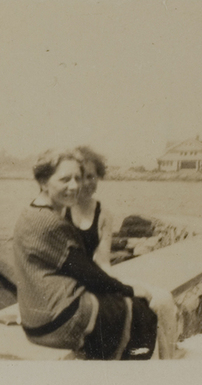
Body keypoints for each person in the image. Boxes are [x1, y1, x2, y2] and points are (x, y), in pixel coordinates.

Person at [13, 149, 158, 360]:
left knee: (125, 309)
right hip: (59, 321)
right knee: (142, 312)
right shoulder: (49, 223)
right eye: (65, 179)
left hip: (35, 321)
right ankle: (129, 376)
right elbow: (87, 273)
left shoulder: (30, 213)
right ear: (43, 182)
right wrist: (129, 289)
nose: (74, 186)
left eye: (77, 178)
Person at [66, 146, 179, 359]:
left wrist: (122, 287)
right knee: (138, 308)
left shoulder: (103, 214)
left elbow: (103, 263)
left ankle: (167, 366)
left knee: (163, 300)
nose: (86, 183)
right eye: (80, 177)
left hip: (99, 279)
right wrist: (124, 290)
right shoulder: (60, 213)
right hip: (72, 287)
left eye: (91, 176)